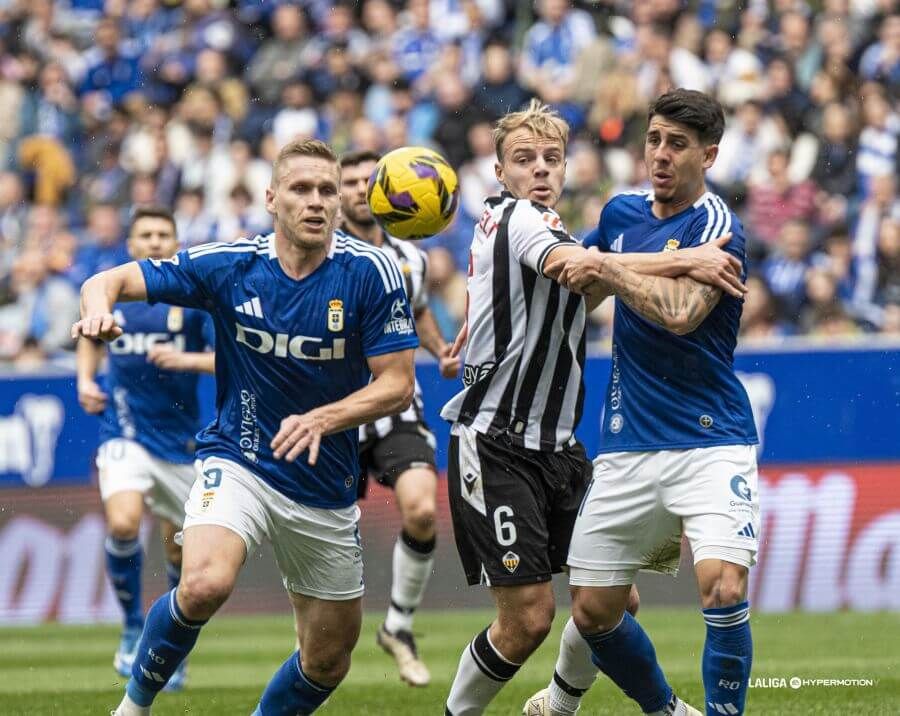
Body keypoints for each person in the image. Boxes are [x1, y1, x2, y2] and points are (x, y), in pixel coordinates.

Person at [72, 139, 418, 716]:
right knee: (204, 582)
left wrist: (325, 417)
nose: (316, 202)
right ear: (271, 198)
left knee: (328, 659)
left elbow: (399, 384)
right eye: (301, 189)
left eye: (327, 191)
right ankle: (131, 709)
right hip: (241, 457)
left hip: (324, 487)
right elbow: (108, 280)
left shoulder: (371, 271)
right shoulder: (230, 264)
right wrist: (98, 309)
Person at [440, 99, 746, 716]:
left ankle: (565, 700)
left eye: (552, 158)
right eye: (524, 160)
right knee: (527, 620)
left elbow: (593, 274)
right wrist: (685, 258)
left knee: (615, 603)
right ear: (499, 173)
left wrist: (479, 324)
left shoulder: (691, 221)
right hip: (497, 440)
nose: (541, 170)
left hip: (561, 443)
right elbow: (582, 271)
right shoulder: (520, 217)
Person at [524, 89, 758, 716]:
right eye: (654, 139)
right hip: (628, 443)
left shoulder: (717, 228)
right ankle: (666, 710)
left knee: (721, 585)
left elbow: (679, 314)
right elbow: (580, 286)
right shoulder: (623, 210)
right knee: (595, 608)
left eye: (676, 145)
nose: (659, 154)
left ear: (709, 154)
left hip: (711, 440)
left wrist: (609, 265)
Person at [75, 204, 213, 690]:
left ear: (174, 242)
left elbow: (225, 360)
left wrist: (186, 359)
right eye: (146, 234)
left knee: (184, 556)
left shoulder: (194, 300)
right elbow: (90, 335)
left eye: (163, 234)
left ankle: (167, 646)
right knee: (123, 521)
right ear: (131, 245)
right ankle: (133, 623)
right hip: (125, 433)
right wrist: (85, 380)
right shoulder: (113, 292)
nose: (155, 241)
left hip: (182, 444)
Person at [337, 149, 460, 686]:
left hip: (397, 404)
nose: (360, 189)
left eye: (369, 179)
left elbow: (419, 309)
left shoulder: (413, 258)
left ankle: (399, 626)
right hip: (333, 412)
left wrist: (440, 352)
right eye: (350, 182)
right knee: (323, 540)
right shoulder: (322, 253)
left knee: (422, 511)